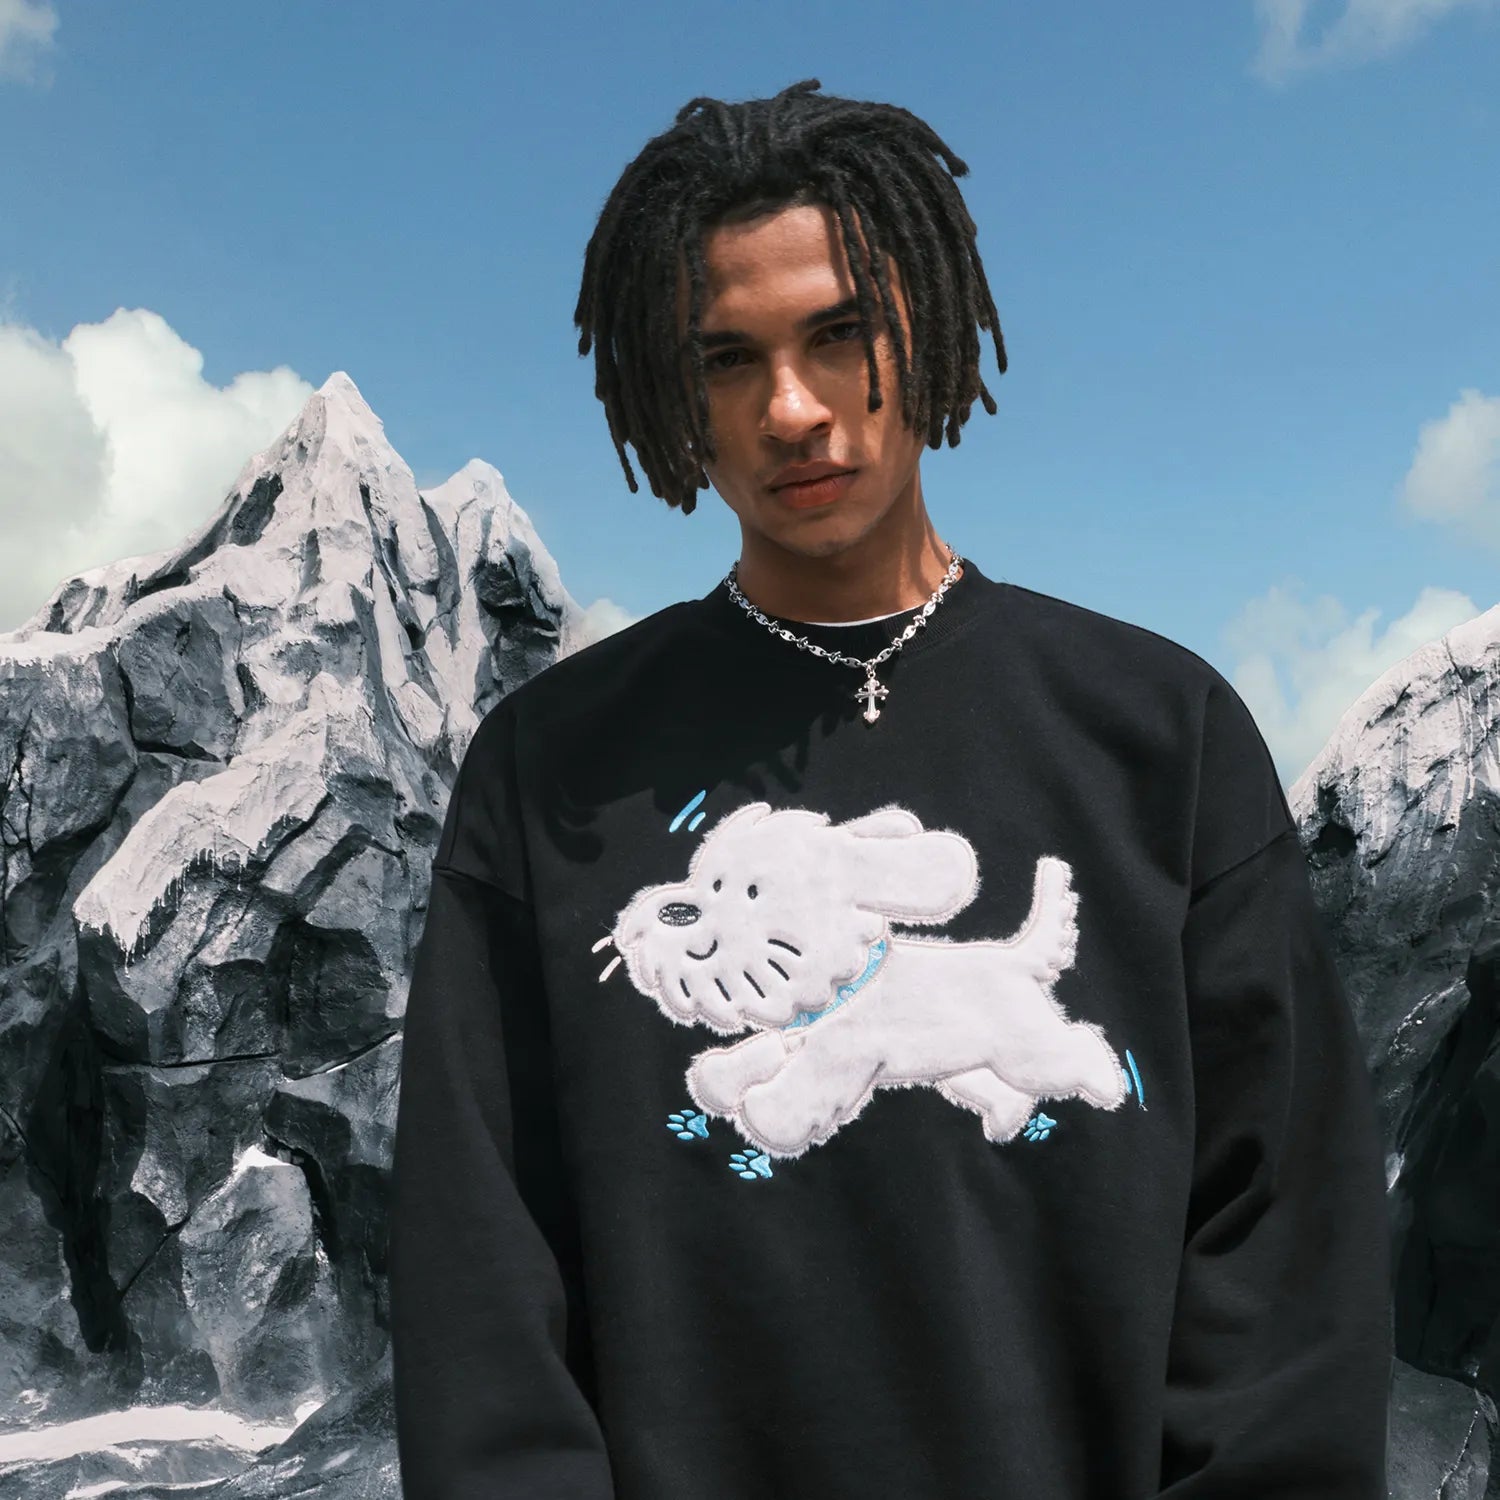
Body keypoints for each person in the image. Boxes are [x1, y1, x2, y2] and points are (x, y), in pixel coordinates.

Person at [387, 78, 1393, 1499]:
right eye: (729, 358)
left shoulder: (1164, 738)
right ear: (674, 393)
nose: (791, 408)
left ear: (929, 325)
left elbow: (1284, 1255)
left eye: (840, 333)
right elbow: (479, 1279)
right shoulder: (548, 775)